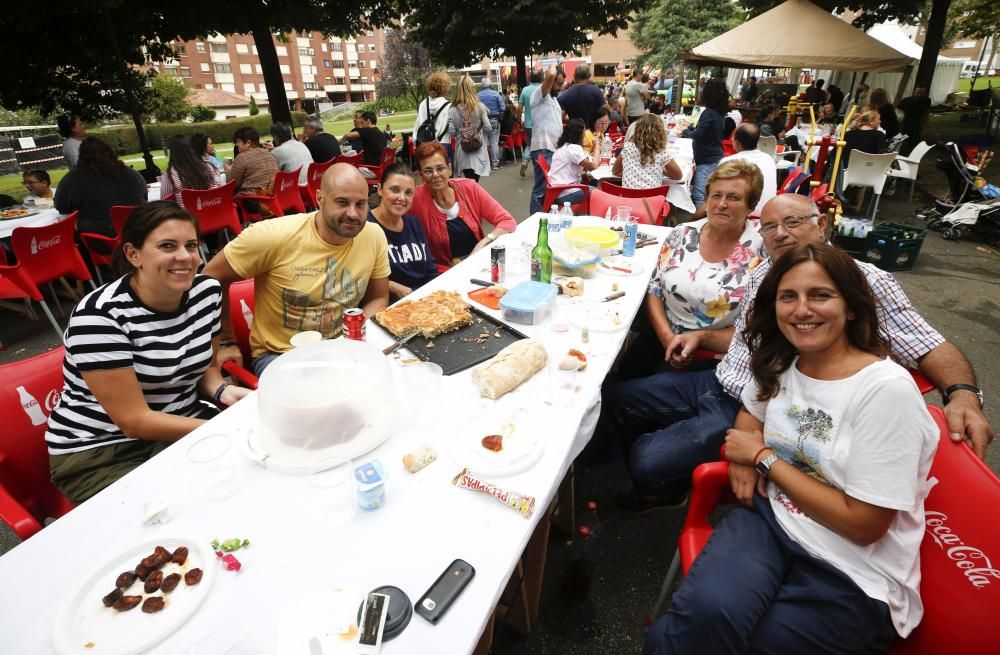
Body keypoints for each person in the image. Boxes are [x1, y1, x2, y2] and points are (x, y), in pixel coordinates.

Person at [600, 192, 993, 515]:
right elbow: (748, 336)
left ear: (822, 225)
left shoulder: (862, 279)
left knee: (646, 460)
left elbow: (927, 343)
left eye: (793, 222)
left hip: (765, 411)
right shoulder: (763, 273)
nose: (780, 234)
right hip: (718, 381)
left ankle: (665, 491)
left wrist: (961, 393)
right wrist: (703, 336)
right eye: (769, 227)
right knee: (612, 399)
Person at [644, 241, 938, 655]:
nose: (802, 310)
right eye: (788, 297)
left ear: (851, 306)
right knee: (701, 619)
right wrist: (743, 459)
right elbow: (752, 410)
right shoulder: (785, 360)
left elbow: (863, 524)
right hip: (771, 520)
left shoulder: (884, 391)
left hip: (849, 569)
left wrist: (763, 459)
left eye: (820, 295)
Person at [44, 201, 251, 503]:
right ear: (133, 254)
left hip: (182, 424)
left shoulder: (206, 292)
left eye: (191, 245)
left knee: (244, 485)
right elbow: (134, 420)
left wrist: (222, 391)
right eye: (168, 246)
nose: (184, 257)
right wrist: (226, 427)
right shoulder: (100, 316)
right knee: (172, 515)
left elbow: (205, 369)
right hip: (102, 449)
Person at [606, 160, 766, 423]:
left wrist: (700, 338)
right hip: (660, 338)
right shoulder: (682, 233)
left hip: (712, 357)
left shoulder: (760, 251)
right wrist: (666, 336)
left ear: (751, 206)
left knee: (622, 401)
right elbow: (655, 288)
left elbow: (753, 329)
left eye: (734, 197)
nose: (722, 204)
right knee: (605, 383)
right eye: (716, 195)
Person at [205, 163, 391, 376]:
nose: (353, 213)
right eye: (342, 202)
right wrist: (226, 341)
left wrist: (353, 342)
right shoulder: (273, 236)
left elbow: (378, 299)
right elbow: (210, 277)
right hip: (280, 356)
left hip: (342, 347)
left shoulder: (373, 235)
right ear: (319, 198)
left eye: (361, 204)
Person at [409, 141, 516, 270]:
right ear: (420, 175)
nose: (435, 175)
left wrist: (485, 240)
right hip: (443, 273)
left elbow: (507, 221)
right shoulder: (414, 200)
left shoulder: (469, 188)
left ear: (449, 168)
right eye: (428, 171)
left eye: (440, 168)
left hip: (479, 263)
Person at [367, 163, 438, 299]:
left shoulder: (414, 223)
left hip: (426, 302)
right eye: (395, 190)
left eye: (408, 192)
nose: (402, 198)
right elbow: (360, 277)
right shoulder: (366, 227)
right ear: (380, 190)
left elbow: (430, 270)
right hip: (389, 306)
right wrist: (391, 286)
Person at [55, 137, 147, 236]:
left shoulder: (72, 179)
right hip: (137, 231)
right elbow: (144, 197)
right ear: (110, 152)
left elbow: (61, 207)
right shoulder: (131, 173)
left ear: (81, 156)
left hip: (99, 239)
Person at [528, 65, 567, 215]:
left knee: (547, 186)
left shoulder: (553, 99)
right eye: (558, 83)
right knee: (541, 188)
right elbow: (551, 74)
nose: (560, 87)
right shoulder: (539, 94)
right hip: (543, 148)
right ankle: (534, 218)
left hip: (551, 148)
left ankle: (542, 214)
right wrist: (555, 66)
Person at [684, 80, 728, 207]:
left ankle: (703, 223)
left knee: (699, 195)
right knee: (705, 193)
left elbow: (698, 135)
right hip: (713, 157)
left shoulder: (708, 113)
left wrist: (687, 132)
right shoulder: (718, 113)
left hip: (707, 160)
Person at [715, 123, 777, 215]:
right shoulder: (769, 159)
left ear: (737, 143)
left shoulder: (728, 161)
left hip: (743, 216)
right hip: (767, 213)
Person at [612, 114, 683, 189]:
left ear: (637, 130)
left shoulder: (628, 148)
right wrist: (660, 171)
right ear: (660, 132)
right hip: (652, 199)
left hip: (629, 199)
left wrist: (632, 174)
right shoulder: (662, 153)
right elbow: (678, 176)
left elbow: (615, 171)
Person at [547, 118, 600, 207]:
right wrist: (597, 146)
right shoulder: (573, 148)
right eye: (583, 131)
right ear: (579, 134)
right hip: (564, 193)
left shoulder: (565, 145)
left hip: (558, 190)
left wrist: (585, 174)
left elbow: (567, 172)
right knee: (599, 194)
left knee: (594, 186)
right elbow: (593, 165)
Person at [160, 134, 222, 209]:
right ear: (192, 150)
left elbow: (164, 202)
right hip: (215, 212)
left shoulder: (170, 175)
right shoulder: (207, 166)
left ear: (172, 153)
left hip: (189, 218)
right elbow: (219, 188)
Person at [449, 74, 492, 182]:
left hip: (462, 151)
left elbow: (452, 132)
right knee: (474, 183)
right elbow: (488, 128)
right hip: (478, 149)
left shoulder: (452, 109)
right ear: (471, 89)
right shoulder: (480, 106)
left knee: (468, 181)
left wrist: (463, 132)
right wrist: (476, 130)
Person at [225, 127, 279, 196]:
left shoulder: (242, 157)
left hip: (254, 200)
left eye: (238, 141)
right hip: (272, 197)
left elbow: (231, 185)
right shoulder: (269, 153)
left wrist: (228, 171)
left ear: (248, 143)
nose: (236, 144)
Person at [557, 64, 611, 128]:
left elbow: (560, 118)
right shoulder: (596, 91)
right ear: (589, 76)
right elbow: (607, 110)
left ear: (574, 75)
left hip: (574, 131)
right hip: (592, 132)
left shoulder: (566, 94)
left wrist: (570, 121)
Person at [413, 71, 453, 152]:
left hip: (425, 147)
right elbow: (452, 131)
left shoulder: (423, 103)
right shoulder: (449, 106)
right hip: (443, 146)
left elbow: (418, 126)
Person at [477, 77, 506, 170]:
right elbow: (503, 108)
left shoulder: (477, 96)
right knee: (494, 142)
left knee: (484, 143)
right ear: (490, 85)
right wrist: (499, 115)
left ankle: (485, 164)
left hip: (482, 122)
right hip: (494, 120)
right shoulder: (496, 94)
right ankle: (495, 164)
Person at [518, 70, 543, 176]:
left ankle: (524, 161)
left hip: (528, 123)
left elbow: (519, 108)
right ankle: (539, 167)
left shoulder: (525, 90)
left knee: (529, 144)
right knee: (541, 146)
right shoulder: (542, 89)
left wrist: (519, 121)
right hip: (541, 124)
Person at [897, 86, 931, 156]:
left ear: (924, 93)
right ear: (914, 91)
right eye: (917, 92)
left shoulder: (926, 101)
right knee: (903, 141)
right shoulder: (906, 100)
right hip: (906, 125)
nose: (918, 94)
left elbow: (926, 113)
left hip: (918, 126)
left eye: (921, 93)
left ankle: (913, 155)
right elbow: (898, 110)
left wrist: (926, 126)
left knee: (915, 143)